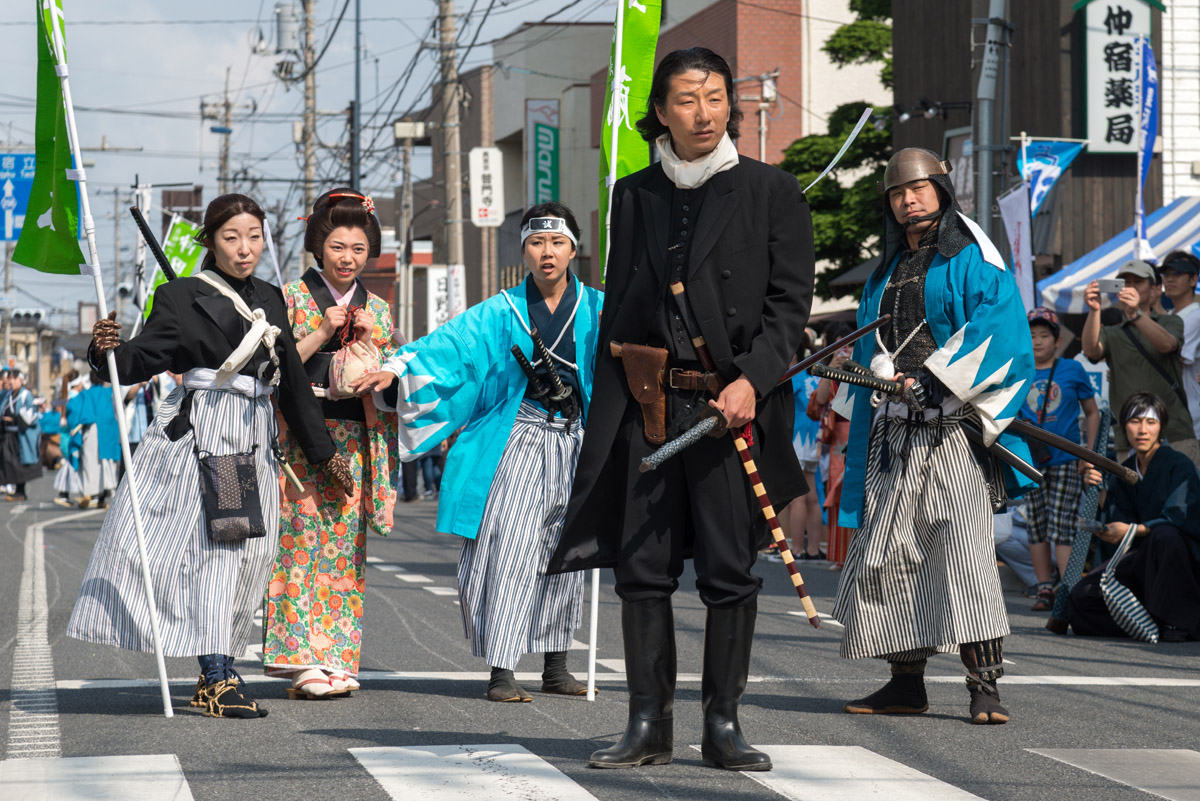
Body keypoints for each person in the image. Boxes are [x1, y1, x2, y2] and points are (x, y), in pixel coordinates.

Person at [545, 47, 813, 771]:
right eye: (688, 99)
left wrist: (753, 379)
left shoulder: (771, 190)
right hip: (650, 408)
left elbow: (789, 308)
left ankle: (722, 723)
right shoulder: (632, 195)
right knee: (642, 569)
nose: (706, 112)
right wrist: (608, 397)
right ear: (660, 110)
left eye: (717, 96)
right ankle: (646, 723)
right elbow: (626, 308)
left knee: (730, 569)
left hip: (730, 410)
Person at [67, 193, 353, 719]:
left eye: (253, 236)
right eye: (231, 238)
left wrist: (323, 452)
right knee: (221, 554)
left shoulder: (271, 295)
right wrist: (104, 350)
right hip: (211, 434)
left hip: (257, 435)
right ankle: (217, 675)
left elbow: (288, 381)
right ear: (210, 242)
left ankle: (216, 671)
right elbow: (140, 358)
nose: (245, 249)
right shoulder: (180, 296)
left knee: (248, 557)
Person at [355, 201, 604, 703]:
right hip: (519, 438)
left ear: (574, 248)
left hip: (577, 440)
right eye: (536, 243)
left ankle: (557, 664)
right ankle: (502, 669)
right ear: (525, 251)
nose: (547, 253)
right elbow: (449, 347)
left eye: (557, 243)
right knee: (507, 548)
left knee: (569, 548)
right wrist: (400, 368)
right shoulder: (501, 311)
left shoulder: (600, 308)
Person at [831, 148, 1035, 725]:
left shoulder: (973, 263)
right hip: (896, 433)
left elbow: (1001, 335)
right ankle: (905, 685)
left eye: (918, 189)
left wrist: (933, 378)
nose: (908, 200)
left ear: (942, 191)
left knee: (964, 557)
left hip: (953, 432)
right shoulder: (883, 274)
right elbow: (871, 345)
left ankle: (984, 688)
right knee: (891, 557)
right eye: (897, 193)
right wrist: (877, 372)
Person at [262, 188, 399, 699]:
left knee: (344, 546)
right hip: (299, 434)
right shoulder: (290, 299)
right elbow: (272, 369)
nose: (348, 258)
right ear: (319, 247)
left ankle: (338, 658)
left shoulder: (378, 308)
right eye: (338, 247)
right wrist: (321, 331)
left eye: (359, 250)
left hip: (354, 440)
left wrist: (375, 345)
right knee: (298, 542)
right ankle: (300, 662)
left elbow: (392, 378)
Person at [1067, 393, 1200, 642]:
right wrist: (1098, 489)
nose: (1142, 430)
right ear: (1125, 427)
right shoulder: (1125, 469)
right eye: (1134, 421)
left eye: (1150, 422)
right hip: (1140, 561)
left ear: (1161, 427)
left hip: (1180, 565)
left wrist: (1133, 530)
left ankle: (1178, 619)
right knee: (1080, 599)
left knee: (1165, 535)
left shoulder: (1179, 465)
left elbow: (1179, 518)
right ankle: (1149, 622)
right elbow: (1117, 518)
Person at [1019, 307, 1099, 611]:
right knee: (1035, 524)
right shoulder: (1018, 369)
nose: (1037, 341)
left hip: (1066, 457)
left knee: (1062, 523)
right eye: (1031, 335)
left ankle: (1068, 592)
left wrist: (1088, 454)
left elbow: (1092, 412)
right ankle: (1045, 590)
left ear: (1058, 339)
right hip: (1028, 459)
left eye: (1043, 335)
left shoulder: (1072, 369)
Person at [1082, 259, 1197, 463]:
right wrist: (1094, 310)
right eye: (1125, 282)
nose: (1131, 287)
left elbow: (1167, 344)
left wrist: (1136, 314)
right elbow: (1091, 350)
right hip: (1130, 437)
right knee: (1134, 494)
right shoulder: (1113, 332)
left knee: (1182, 493)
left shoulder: (1171, 321)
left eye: (1138, 282)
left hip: (1174, 432)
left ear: (1154, 289)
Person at [784, 338, 825, 562]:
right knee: (812, 496)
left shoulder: (795, 375)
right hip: (814, 437)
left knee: (797, 498)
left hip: (797, 437)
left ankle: (797, 549)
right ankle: (813, 550)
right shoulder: (816, 375)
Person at [1160, 250, 1200, 467]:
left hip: (1191, 421)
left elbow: (1172, 357)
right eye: (1166, 273)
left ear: (1194, 279)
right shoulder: (1167, 317)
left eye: (1178, 273)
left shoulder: (1195, 316)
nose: (1170, 278)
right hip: (1168, 420)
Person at [68, 373, 121, 509]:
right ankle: (107, 491)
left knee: (90, 462)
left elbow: (72, 407)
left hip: (91, 428)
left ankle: (89, 493)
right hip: (109, 429)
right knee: (107, 461)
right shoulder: (111, 392)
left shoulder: (86, 394)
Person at [1, 367, 43, 501]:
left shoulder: (26, 395)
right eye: (10, 379)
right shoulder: (8, 395)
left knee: (19, 463)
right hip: (8, 434)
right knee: (8, 462)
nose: (11, 382)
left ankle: (20, 491)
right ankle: (15, 489)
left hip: (19, 435)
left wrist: (14, 418)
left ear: (20, 380)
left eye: (14, 379)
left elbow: (31, 413)